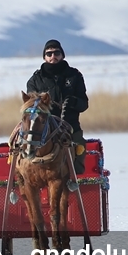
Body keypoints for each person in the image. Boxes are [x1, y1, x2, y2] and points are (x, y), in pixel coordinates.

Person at [25, 39, 89, 173]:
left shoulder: (74, 76)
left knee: (80, 147)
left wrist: (73, 102)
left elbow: (84, 104)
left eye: (56, 53)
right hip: (43, 128)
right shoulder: (36, 79)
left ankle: (74, 179)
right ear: (44, 57)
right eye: (49, 54)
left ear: (62, 55)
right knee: (25, 145)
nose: (53, 56)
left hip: (70, 126)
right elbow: (31, 105)